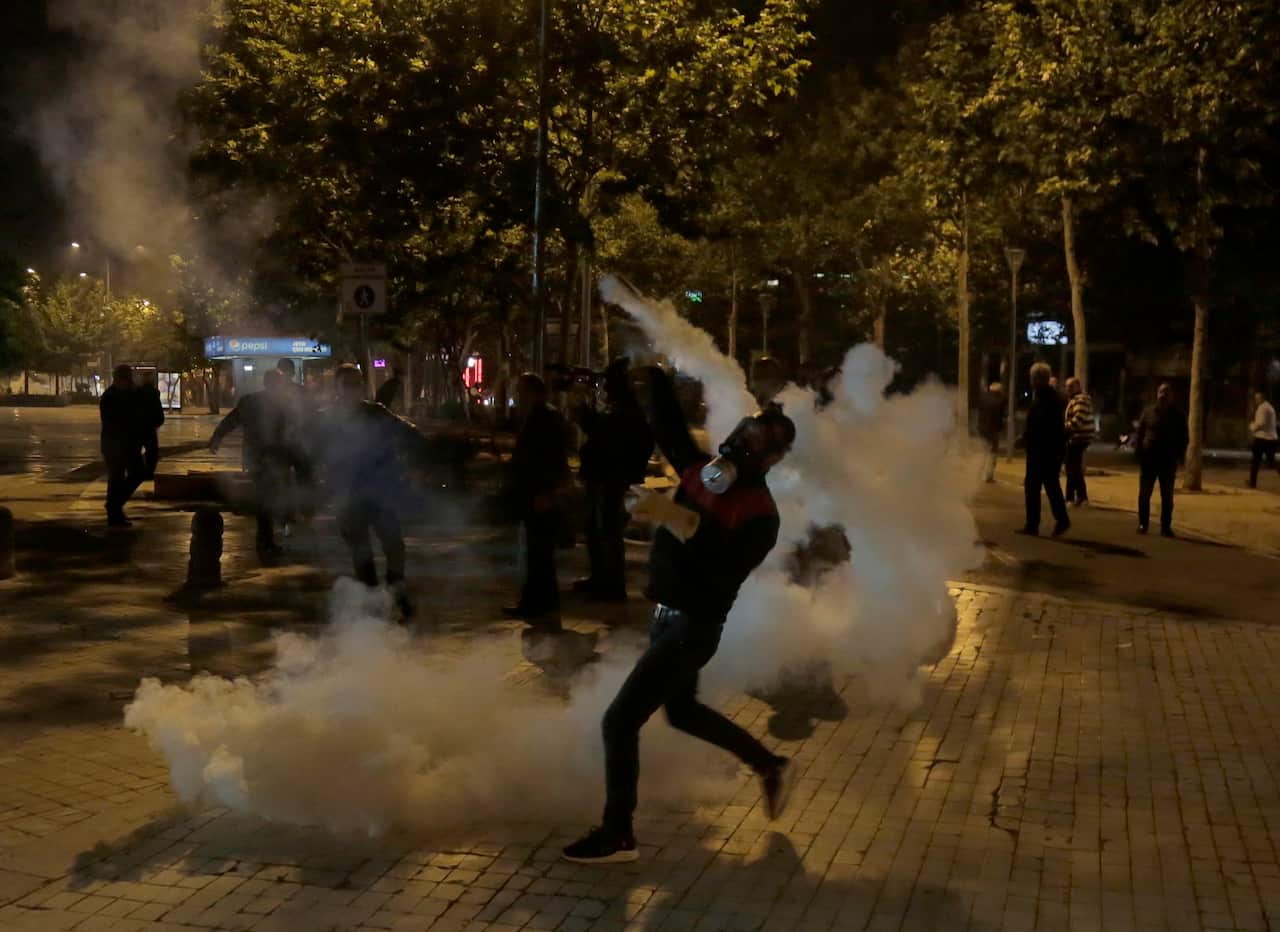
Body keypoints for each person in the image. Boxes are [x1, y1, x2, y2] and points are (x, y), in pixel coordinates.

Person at [562, 366, 796, 864]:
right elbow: (667, 427)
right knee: (681, 710)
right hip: (667, 617)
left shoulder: (761, 514)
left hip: (694, 627)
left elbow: (722, 571)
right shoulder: (698, 468)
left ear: (773, 459)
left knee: (619, 722)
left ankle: (618, 833)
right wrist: (653, 377)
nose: (746, 439)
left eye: (761, 440)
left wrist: (671, 517)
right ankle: (770, 764)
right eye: (749, 428)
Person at [313, 364, 433, 614]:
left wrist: (420, 463)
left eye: (358, 383)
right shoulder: (325, 419)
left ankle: (396, 593)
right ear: (336, 387)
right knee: (361, 552)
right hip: (347, 496)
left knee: (394, 546)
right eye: (348, 384)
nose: (354, 389)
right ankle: (372, 602)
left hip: (380, 493)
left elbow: (409, 434)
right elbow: (309, 453)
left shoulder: (376, 413)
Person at [573, 359, 654, 602]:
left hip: (611, 477)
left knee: (607, 530)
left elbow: (602, 432)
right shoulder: (622, 407)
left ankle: (612, 585)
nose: (604, 388)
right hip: (605, 475)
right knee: (597, 529)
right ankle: (600, 579)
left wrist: (582, 410)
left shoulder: (627, 410)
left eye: (608, 383)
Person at [503, 373, 571, 620]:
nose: (517, 396)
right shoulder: (542, 416)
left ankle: (536, 603)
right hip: (537, 493)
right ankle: (543, 602)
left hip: (540, 494)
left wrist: (547, 492)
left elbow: (549, 459)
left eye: (521, 391)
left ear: (533, 392)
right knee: (538, 553)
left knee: (538, 553)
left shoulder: (544, 418)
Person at [209, 369, 291, 556]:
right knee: (267, 500)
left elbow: (231, 421)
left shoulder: (251, 401)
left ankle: (267, 539)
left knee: (267, 499)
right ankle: (266, 541)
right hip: (270, 459)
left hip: (258, 458)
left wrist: (217, 438)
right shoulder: (282, 403)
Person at [1019, 362, 1070, 537]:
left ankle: (1035, 524)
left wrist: (1027, 438)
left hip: (1043, 450)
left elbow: (1041, 426)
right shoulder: (1047, 397)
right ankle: (1055, 520)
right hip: (1047, 450)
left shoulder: (1048, 399)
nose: (1031, 381)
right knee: (1048, 485)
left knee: (1036, 486)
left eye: (1033, 378)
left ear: (1038, 379)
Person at [1136, 383, 1189, 537]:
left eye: (1166, 392)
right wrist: (1139, 453)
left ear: (1171, 396)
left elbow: (1184, 437)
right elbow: (1140, 433)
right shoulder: (1148, 412)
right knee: (1144, 494)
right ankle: (1143, 524)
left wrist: (1178, 455)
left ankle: (1165, 526)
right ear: (1156, 394)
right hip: (1148, 460)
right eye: (1160, 392)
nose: (1163, 395)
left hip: (1167, 461)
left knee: (1167, 496)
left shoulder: (1179, 415)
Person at [100, 364, 146, 527]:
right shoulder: (110, 397)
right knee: (117, 477)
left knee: (136, 473)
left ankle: (115, 506)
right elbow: (114, 421)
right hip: (115, 444)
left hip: (127, 444)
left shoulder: (127, 395)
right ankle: (114, 510)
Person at [1063, 377, 1094, 505]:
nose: (1068, 389)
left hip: (1078, 437)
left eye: (1070, 387)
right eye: (1067, 387)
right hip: (1077, 437)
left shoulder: (1080, 400)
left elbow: (1078, 420)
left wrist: (1063, 428)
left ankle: (1071, 497)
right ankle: (1081, 496)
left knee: (1071, 468)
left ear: (1077, 386)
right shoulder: (1076, 399)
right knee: (1073, 467)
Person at [135, 371, 166, 480]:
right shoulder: (154, 393)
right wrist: (156, 423)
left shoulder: (137, 392)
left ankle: (138, 472)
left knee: (136, 452)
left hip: (138, 428)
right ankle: (148, 473)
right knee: (152, 453)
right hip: (149, 429)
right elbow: (159, 414)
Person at [977, 382, 1006, 483]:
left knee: (983, 451)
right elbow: (1000, 417)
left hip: (982, 429)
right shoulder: (999, 401)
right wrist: (1000, 428)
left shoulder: (983, 399)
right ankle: (989, 475)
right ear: (999, 391)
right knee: (993, 453)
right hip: (992, 430)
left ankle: (978, 472)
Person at [1248, 391, 1278, 489]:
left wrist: (1252, 427)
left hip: (1262, 438)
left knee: (1255, 462)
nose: (1256, 400)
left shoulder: (1262, 408)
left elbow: (1261, 423)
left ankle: (1252, 483)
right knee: (1271, 461)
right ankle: (1251, 482)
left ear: (1262, 398)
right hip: (1271, 438)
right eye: (1256, 398)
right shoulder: (1269, 407)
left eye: (1258, 398)